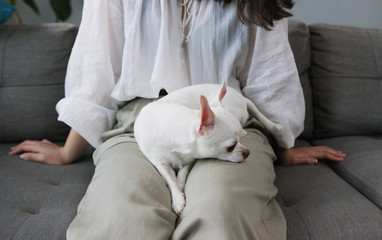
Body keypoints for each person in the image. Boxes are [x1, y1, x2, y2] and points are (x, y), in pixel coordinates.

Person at [9, 0, 346, 239]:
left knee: (222, 210)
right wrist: (69, 150)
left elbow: (270, 76)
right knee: (119, 216)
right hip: (142, 122)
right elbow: (98, 67)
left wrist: (279, 141)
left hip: (226, 116)